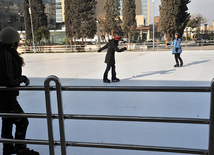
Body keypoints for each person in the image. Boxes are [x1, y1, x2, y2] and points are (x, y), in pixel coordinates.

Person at [0, 27, 39, 155]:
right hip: (5, 97)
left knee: (8, 121)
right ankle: (20, 149)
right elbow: (9, 80)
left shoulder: (5, 52)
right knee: (22, 121)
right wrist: (22, 78)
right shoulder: (5, 54)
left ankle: (8, 149)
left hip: (5, 96)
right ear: (12, 42)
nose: (19, 43)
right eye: (17, 41)